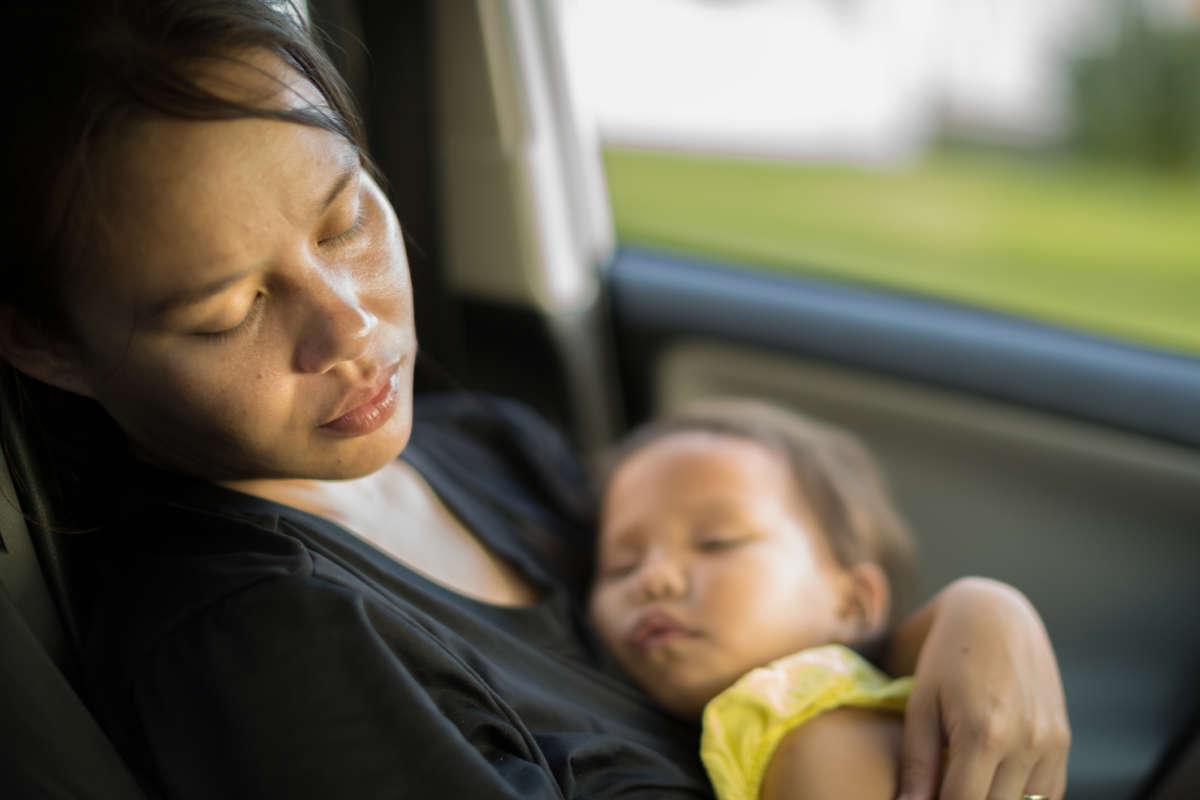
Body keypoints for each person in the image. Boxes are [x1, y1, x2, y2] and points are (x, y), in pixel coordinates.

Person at [0, 1, 1068, 798]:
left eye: (344, 223)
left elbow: (756, 639)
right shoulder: (255, 642)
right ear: (51, 347)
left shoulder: (487, 449)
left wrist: (967, 620)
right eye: (229, 311)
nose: (352, 328)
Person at [588, 398, 920, 800]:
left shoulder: (820, 730)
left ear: (852, 604)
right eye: (622, 565)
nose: (653, 579)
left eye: (716, 543)